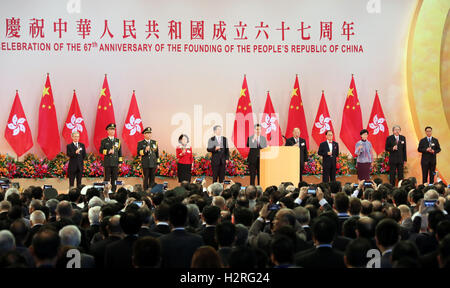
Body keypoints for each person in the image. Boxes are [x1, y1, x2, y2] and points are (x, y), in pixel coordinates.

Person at [99, 123, 123, 191]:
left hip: (115, 163)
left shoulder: (118, 141)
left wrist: (120, 161)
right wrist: (107, 152)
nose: (112, 131)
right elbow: (101, 150)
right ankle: (106, 191)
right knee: (107, 178)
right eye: (111, 129)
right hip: (107, 162)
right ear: (107, 131)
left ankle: (113, 191)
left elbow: (120, 152)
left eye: (113, 129)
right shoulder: (104, 141)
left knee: (115, 178)